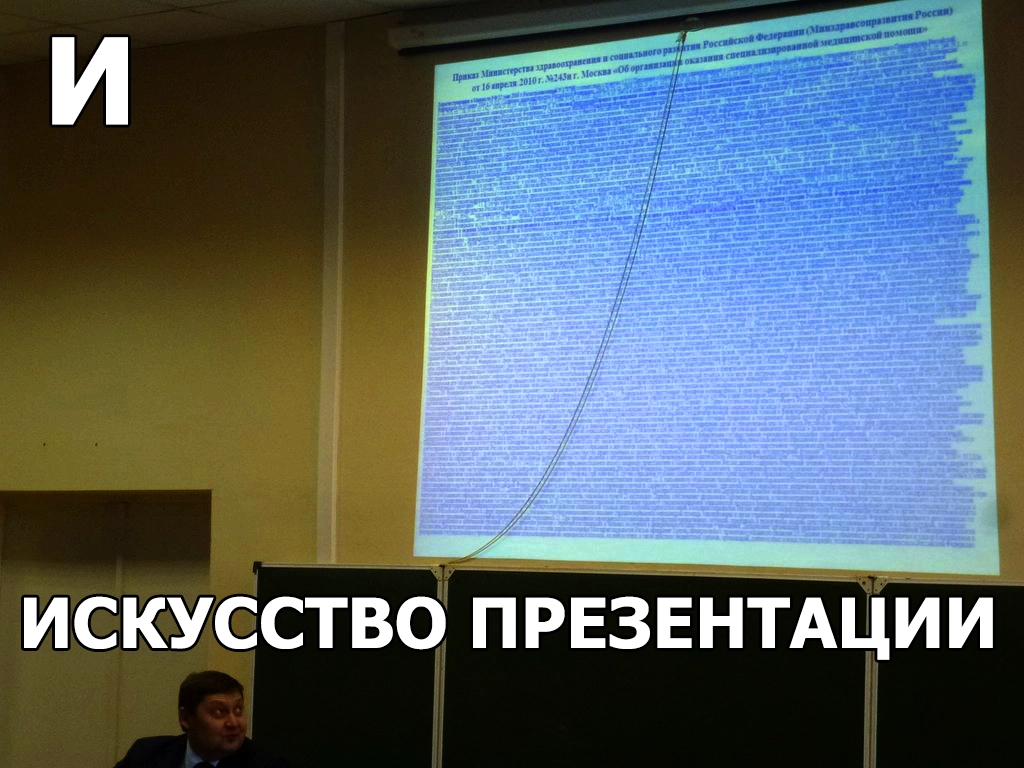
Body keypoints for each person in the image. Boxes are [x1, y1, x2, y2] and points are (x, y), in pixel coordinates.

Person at [114, 670, 288, 768]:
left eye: (238, 710)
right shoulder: (146, 755)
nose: (233, 723)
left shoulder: (268, 765)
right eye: (219, 712)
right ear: (186, 718)